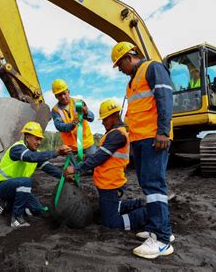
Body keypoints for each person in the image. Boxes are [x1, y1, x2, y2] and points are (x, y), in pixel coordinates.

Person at [111, 41, 174, 259]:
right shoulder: (132, 83)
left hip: (153, 137)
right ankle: (160, 226)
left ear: (129, 57)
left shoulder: (153, 68)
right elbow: (133, 114)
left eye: (120, 64)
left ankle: (161, 239)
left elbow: (165, 98)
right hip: (140, 139)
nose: (120, 69)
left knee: (154, 185)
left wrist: (163, 132)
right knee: (148, 185)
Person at [64, 99, 147, 231]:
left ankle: (147, 214)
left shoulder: (117, 135)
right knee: (109, 208)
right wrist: (88, 157)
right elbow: (103, 156)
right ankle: (139, 204)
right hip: (107, 183)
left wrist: (76, 169)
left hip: (111, 184)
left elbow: (100, 157)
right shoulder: (113, 134)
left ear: (113, 116)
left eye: (104, 119)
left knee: (111, 223)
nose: (102, 122)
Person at [0, 121, 72, 228]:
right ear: (27, 137)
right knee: (26, 182)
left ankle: (9, 202)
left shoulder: (34, 153)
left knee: (37, 210)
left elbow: (50, 169)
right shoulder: (17, 148)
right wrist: (56, 152)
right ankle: (16, 219)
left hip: (16, 186)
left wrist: (65, 176)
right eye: (36, 138)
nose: (39, 142)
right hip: (0, 186)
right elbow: (31, 157)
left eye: (40, 139)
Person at [51, 79, 97, 156]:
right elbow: (58, 126)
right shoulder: (55, 110)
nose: (63, 96)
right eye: (59, 95)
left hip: (86, 143)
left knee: (95, 165)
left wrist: (86, 113)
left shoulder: (78, 103)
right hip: (70, 147)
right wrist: (71, 125)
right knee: (71, 168)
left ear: (68, 92)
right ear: (56, 96)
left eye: (64, 93)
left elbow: (91, 118)